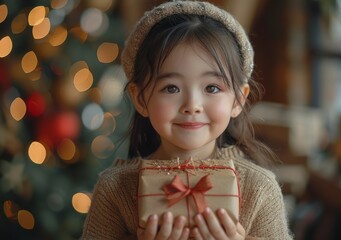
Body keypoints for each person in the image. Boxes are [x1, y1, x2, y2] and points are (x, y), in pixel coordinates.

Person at [81, 1, 293, 239]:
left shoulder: (259, 188)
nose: (192, 105)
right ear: (140, 98)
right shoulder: (115, 190)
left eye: (212, 88)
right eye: (171, 88)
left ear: (238, 100)